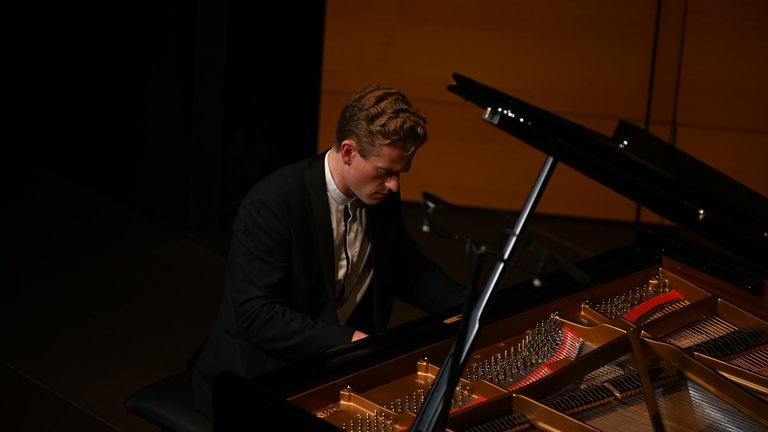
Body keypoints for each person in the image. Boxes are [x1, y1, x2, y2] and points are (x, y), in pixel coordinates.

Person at [191, 84, 470, 419]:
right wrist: (349, 340)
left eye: (400, 173)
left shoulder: (379, 196)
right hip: (257, 376)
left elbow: (408, 270)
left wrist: (475, 307)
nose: (395, 185)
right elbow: (255, 315)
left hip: (330, 367)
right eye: (385, 172)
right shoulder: (274, 203)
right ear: (349, 152)